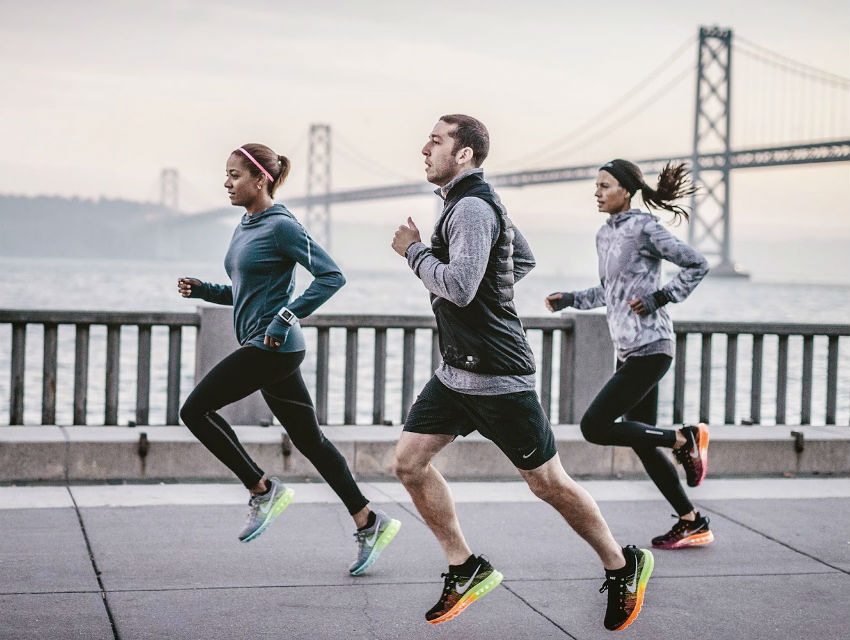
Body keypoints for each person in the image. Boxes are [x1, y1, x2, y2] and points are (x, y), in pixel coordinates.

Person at [391, 115, 653, 632]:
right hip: (455, 373)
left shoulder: (471, 207)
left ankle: (622, 564)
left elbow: (459, 288)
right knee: (409, 463)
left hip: (497, 375)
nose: (424, 148)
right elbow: (520, 259)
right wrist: (488, 287)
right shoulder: (465, 204)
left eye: (436, 141)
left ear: (464, 154)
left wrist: (413, 251)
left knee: (548, 483)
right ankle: (465, 567)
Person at [177, 143, 399, 575]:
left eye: (235, 175)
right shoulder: (245, 224)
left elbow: (332, 276)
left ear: (261, 179)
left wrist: (285, 317)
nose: (226, 183)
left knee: (195, 410)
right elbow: (247, 292)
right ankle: (368, 521)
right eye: (226, 175)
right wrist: (207, 291)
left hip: (272, 347)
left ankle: (262, 489)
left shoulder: (282, 226)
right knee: (310, 440)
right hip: (267, 345)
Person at [545, 158, 713, 551]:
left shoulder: (645, 228)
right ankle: (692, 521)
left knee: (595, 426)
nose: (597, 192)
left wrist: (659, 297)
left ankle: (684, 439)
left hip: (652, 346)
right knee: (642, 440)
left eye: (605, 185)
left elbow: (697, 264)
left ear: (627, 190)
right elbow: (611, 291)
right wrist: (571, 299)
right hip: (628, 350)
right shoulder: (605, 234)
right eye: (596, 186)